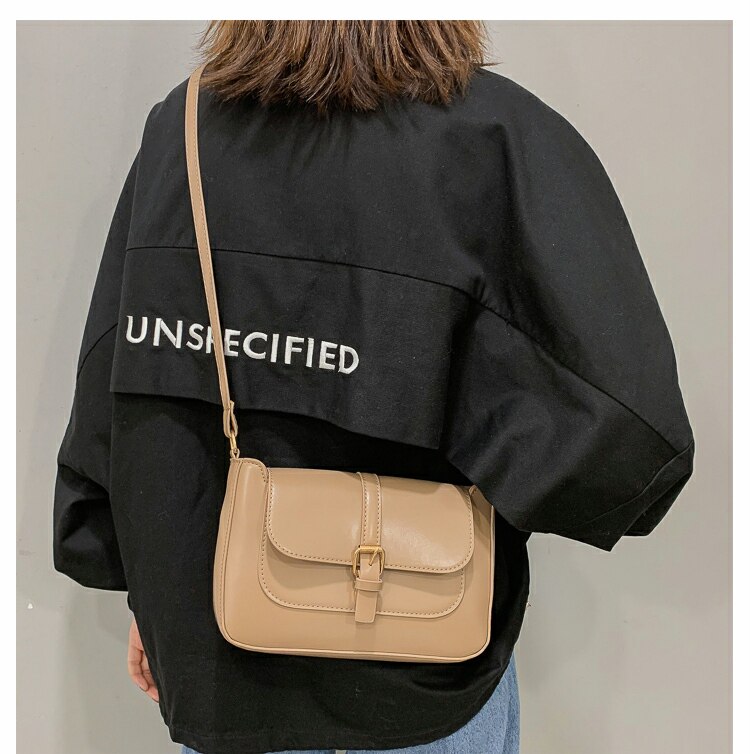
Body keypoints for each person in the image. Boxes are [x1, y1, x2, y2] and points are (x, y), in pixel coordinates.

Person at [52, 20, 695, 754]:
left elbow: (121, 382)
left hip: (221, 653)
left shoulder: (187, 127)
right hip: (423, 662)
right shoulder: (494, 137)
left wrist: (149, 592)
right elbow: (623, 425)